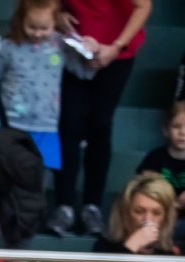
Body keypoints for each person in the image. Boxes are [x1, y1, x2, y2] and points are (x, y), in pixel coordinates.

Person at [50, 0, 152, 238]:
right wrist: (58, 14)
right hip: (74, 47)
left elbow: (143, 6)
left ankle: (92, 207)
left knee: (100, 123)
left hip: (117, 50)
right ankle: (63, 206)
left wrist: (115, 47)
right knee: (68, 123)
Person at [0, 0, 64, 185]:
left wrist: (91, 48)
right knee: (10, 179)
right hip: (14, 125)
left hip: (47, 126)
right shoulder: (7, 46)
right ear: (21, 20)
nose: (37, 33)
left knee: (40, 182)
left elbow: (84, 71)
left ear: (56, 22)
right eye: (31, 27)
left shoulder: (61, 45)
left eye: (44, 28)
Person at [136, 101, 185, 246]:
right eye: (177, 126)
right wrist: (173, 204)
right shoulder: (155, 158)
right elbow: (140, 188)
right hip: (158, 216)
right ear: (166, 130)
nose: (182, 132)